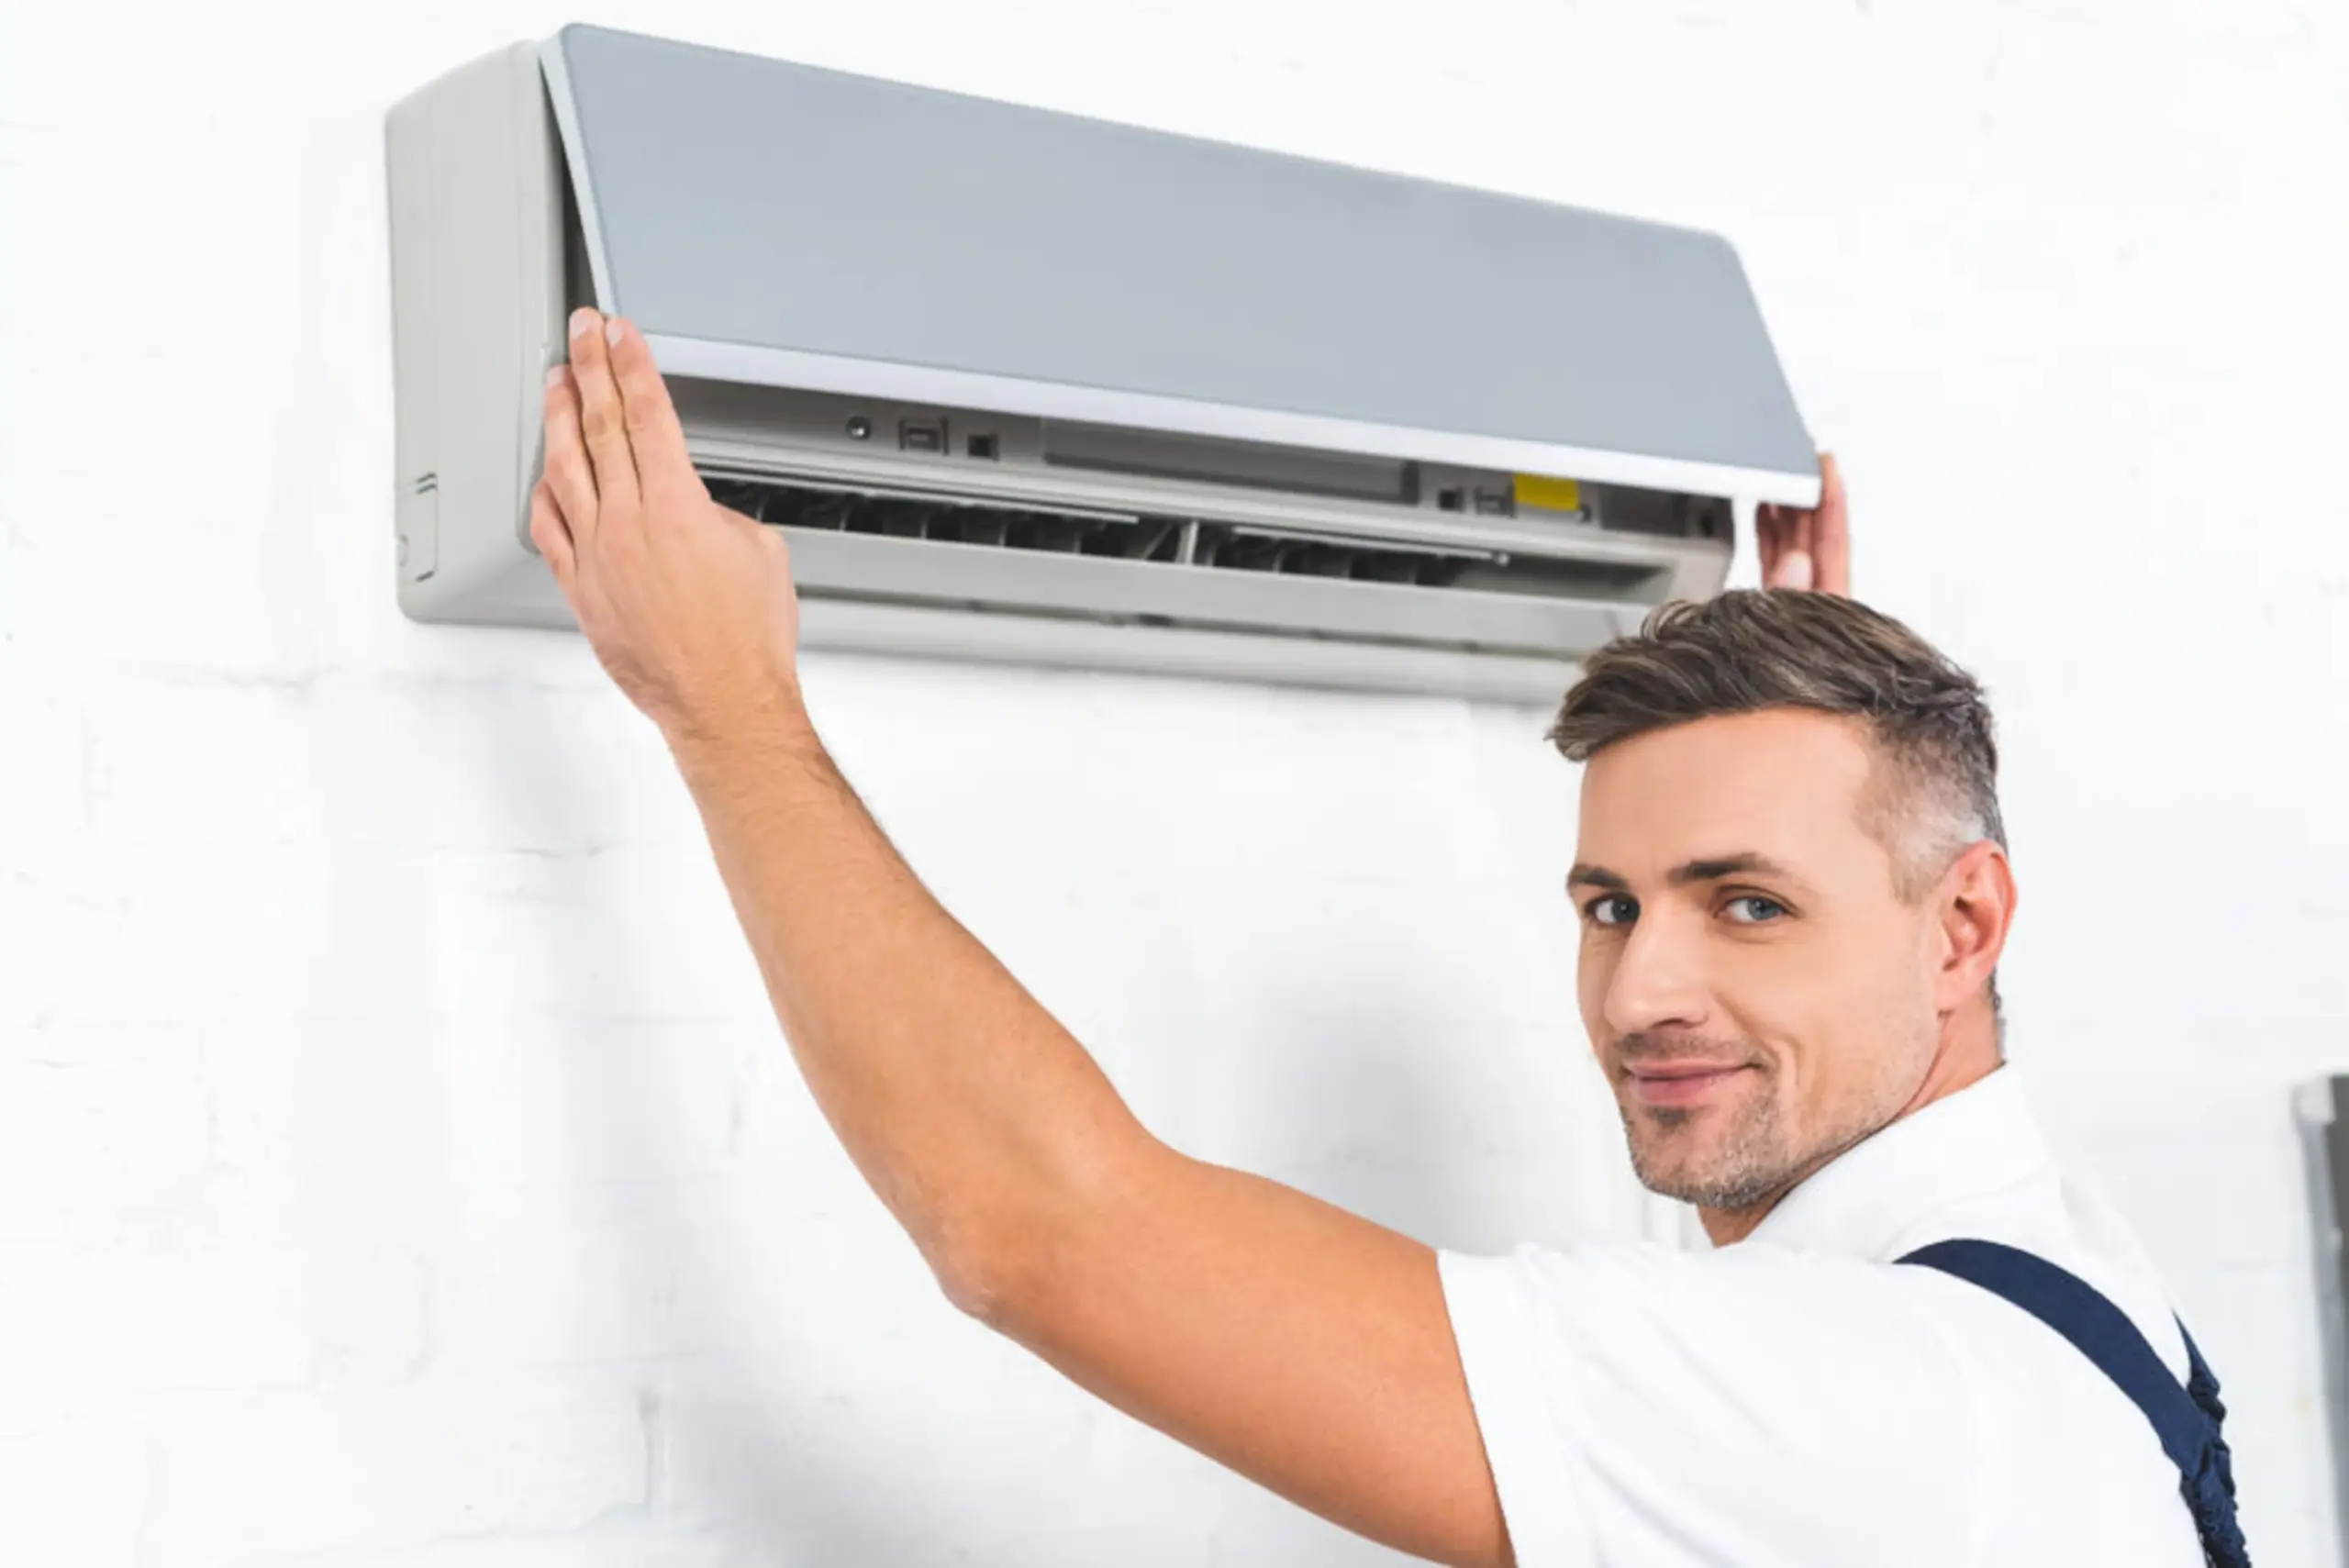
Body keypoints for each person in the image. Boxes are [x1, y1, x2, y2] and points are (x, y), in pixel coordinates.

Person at [525, 306, 2245, 1567]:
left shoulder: (1878, 1396)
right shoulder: (2052, 1292)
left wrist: (724, 709)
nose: (1640, 990)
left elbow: (1036, 1232)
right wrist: (1798, 731)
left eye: (1749, 903)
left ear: (1963, 924)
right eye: (1610, 903)